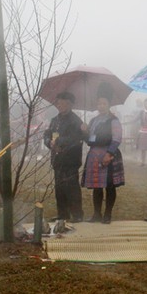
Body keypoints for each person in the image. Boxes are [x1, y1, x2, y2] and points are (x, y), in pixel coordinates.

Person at [81, 84, 125, 224]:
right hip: (94, 155)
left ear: (109, 104)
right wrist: (85, 132)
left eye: (104, 103)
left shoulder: (113, 120)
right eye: (99, 103)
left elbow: (117, 138)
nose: (101, 106)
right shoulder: (93, 120)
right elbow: (89, 140)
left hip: (109, 155)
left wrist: (109, 154)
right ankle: (96, 214)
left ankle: (107, 214)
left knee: (109, 186)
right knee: (97, 186)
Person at [43, 92, 85, 223]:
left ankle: (77, 214)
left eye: (63, 103)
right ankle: (62, 214)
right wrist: (49, 143)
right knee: (59, 188)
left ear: (70, 104)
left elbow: (76, 139)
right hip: (57, 159)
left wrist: (60, 142)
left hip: (71, 159)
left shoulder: (76, 121)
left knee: (71, 188)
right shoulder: (55, 120)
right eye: (58, 103)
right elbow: (47, 135)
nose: (60, 105)